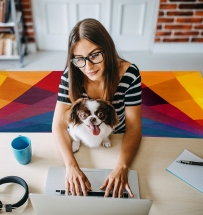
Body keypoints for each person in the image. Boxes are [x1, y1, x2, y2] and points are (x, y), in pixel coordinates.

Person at [52, 18, 142, 198]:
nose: (88, 67)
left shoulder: (129, 74)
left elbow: (133, 126)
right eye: (80, 59)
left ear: (107, 49)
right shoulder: (71, 75)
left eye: (94, 55)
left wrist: (122, 166)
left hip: (115, 137)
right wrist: (71, 166)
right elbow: (59, 125)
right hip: (80, 137)